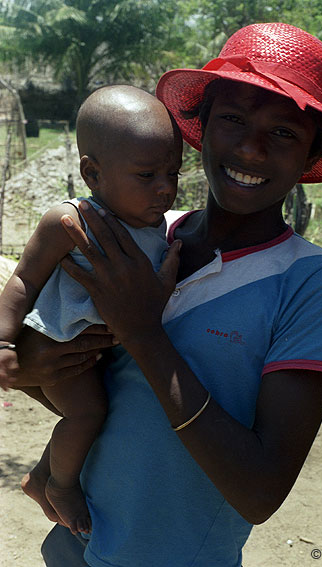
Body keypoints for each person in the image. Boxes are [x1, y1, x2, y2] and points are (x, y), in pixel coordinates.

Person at [11, 22, 322, 567]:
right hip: (74, 540)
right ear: (200, 127)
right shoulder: (143, 237)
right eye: (232, 119)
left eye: (284, 133)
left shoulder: (316, 280)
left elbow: (259, 492)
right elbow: (101, 389)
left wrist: (143, 333)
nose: (251, 148)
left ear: (310, 157)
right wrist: (36, 362)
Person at [0, 84, 182, 535]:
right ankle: (60, 484)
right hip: (62, 347)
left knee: (106, 413)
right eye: (147, 175)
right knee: (87, 415)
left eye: (173, 173)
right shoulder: (70, 220)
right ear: (93, 174)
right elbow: (23, 280)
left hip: (105, 353)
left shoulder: (158, 224)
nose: (165, 189)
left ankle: (43, 476)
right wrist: (3, 341)